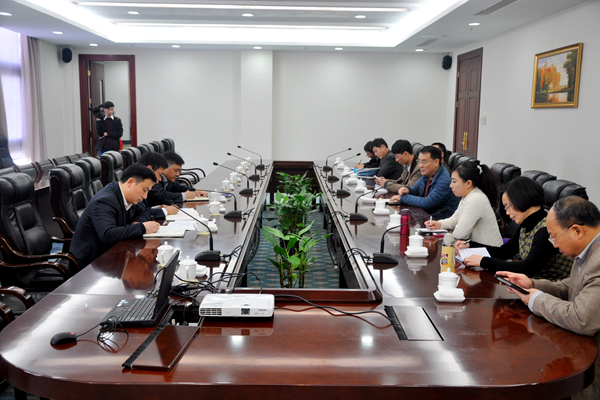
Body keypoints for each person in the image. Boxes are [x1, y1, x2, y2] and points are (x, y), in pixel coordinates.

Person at [496, 196, 600, 400]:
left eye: (553, 237)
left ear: (577, 231)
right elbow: (573, 286)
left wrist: (535, 299)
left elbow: (582, 319)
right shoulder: (588, 249)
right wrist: (533, 285)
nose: (553, 245)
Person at [459, 177, 572, 281]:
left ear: (521, 198)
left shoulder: (545, 229)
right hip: (532, 284)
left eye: (508, 206)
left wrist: (483, 261)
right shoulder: (527, 223)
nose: (507, 213)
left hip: (551, 288)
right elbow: (504, 252)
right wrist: (471, 244)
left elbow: (527, 269)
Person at [69, 163, 160, 269]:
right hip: (91, 264)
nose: (145, 196)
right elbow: (108, 235)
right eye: (144, 190)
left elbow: (144, 212)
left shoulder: (129, 196)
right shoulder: (105, 200)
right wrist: (142, 228)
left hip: (112, 256)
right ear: (130, 182)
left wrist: (137, 223)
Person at [425, 161, 503, 246]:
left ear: (468, 183)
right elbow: (454, 220)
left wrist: (447, 235)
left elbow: (460, 234)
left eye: (454, 181)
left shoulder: (475, 199)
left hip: (489, 252)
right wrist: (439, 224)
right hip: (478, 249)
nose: (451, 185)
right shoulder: (468, 196)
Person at [389, 145, 459, 219]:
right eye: (419, 161)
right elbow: (415, 190)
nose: (420, 165)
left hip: (439, 221)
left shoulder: (444, 180)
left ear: (436, 162)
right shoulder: (427, 174)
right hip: (425, 217)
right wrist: (407, 190)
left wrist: (402, 198)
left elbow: (427, 203)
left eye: (424, 162)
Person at [138, 152, 178, 219]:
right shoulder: (136, 186)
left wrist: (157, 208)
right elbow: (138, 213)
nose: (160, 179)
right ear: (150, 169)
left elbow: (142, 209)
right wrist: (165, 211)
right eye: (160, 174)